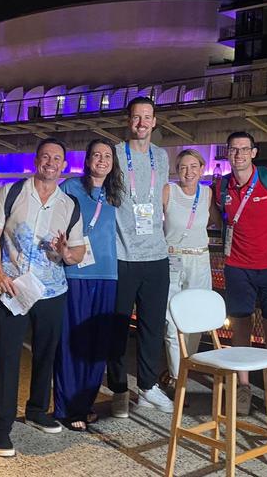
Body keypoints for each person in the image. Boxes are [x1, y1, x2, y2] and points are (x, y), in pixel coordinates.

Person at [0, 137, 85, 456]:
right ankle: (0, 428)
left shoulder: (69, 204)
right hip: (13, 288)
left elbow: (79, 250)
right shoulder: (12, 192)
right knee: (6, 358)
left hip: (52, 290)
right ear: (36, 161)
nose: (51, 163)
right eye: (45, 157)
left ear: (64, 166)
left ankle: (37, 410)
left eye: (57, 159)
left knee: (46, 353)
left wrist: (66, 252)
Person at [213, 131, 267, 417]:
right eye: (234, 149)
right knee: (240, 330)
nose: (239, 154)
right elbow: (214, 215)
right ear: (228, 153)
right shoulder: (222, 187)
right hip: (237, 267)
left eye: (245, 149)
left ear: (254, 153)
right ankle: (243, 388)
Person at [109, 96, 173, 418]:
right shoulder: (116, 154)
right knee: (118, 328)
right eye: (136, 117)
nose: (142, 123)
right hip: (122, 255)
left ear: (154, 121)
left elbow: (161, 195)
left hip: (157, 256)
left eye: (147, 117)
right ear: (128, 121)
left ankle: (148, 387)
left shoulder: (162, 157)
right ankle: (119, 389)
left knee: (151, 327)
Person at [53, 138, 123, 431]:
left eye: (107, 156)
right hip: (76, 273)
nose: (102, 160)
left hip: (108, 274)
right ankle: (66, 407)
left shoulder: (115, 194)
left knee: (97, 344)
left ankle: (85, 403)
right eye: (96, 155)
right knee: (71, 341)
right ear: (88, 160)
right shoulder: (70, 188)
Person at [162, 149, 219, 387]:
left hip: (200, 261)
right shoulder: (168, 191)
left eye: (194, 166)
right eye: (183, 167)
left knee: (196, 319)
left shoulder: (207, 194)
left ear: (202, 169)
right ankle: (178, 378)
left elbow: (215, 219)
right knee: (171, 319)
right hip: (172, 259)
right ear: (177, 170)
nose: (188, 172)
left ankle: (185, 365)